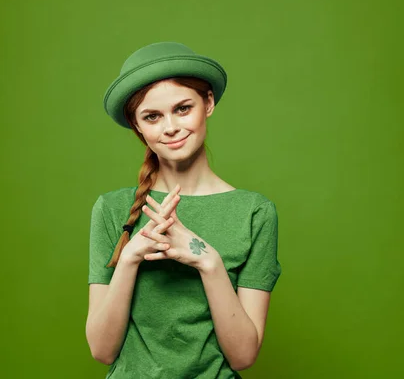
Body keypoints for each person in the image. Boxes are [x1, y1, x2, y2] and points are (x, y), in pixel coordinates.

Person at [85, 41, 282, 379]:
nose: (170, 127)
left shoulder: (255, 212)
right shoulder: (112, 209)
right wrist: (131, 257)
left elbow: (243, 356)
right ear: (138, 126)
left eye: (182, 108)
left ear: (208, 103)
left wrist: (207, 259)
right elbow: (102, 351)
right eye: (152, 116)